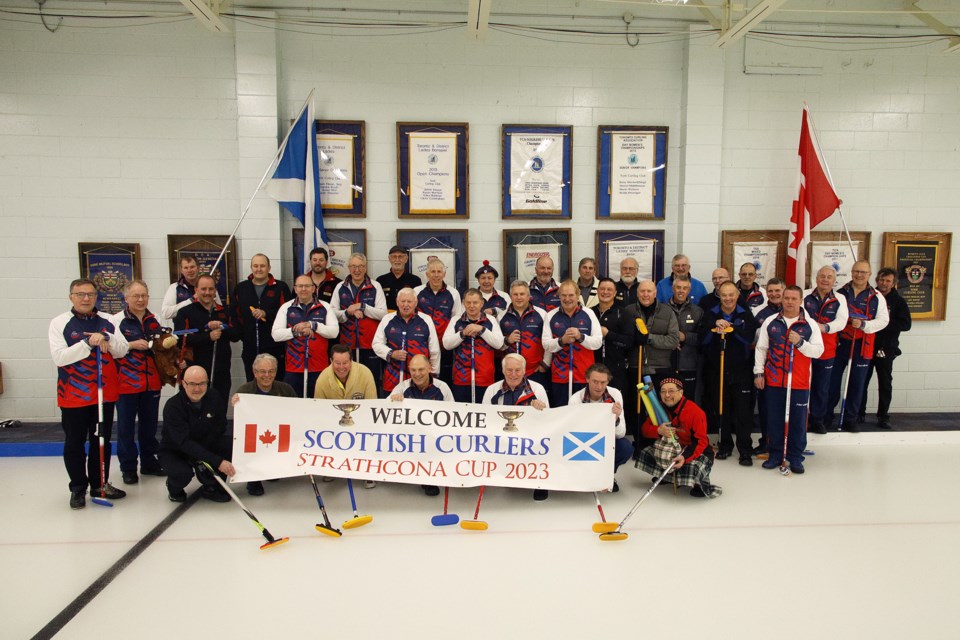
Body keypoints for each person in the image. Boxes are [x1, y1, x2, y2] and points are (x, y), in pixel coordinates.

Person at [50, 278, 130, 509]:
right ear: (71, 297)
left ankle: (99, 484)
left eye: (91, 294)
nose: (86, 299)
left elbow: (122, 350)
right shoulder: (60, 323)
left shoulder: (107, 320)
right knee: (74, 442)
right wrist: (87, 342)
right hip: (73, 395)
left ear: (96, 297)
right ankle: (77, 488)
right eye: (80, 294)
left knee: (101, 440)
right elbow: (60, 357)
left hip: (103, 395)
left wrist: (108, 338)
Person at [755, 286, 824, 473]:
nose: (789, 302)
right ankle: (776, 454)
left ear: (801, 300)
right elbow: (761, 349)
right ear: (782, 300)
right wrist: (759, 373)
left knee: (798, 421)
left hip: (799, 382)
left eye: (794, 298)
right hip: (775, 380)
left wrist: (800, 343)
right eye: (786, 298)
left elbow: (818, 351)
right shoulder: (771, 321)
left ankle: (795, 457)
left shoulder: (809, 324)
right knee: (775, 420)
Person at [160, 365, 243, 502]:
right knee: (182, 474)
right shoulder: (172, 406)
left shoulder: (214, 397)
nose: (197, 389)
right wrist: (217, 461)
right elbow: (184, 443)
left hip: (205, 444)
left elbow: (220, 427)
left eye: (202, 384)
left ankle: (211, 486)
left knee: (230, 445)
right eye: (192, 384)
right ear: (183, 383)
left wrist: (205, 457)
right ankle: (173, 487)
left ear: (207, 382)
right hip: (177, 451)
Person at [111, 280, 165, 485]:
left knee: (149, 426)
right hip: (126, 382)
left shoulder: (155, 319)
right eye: (136, 296)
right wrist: (132, 345)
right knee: (125, 427)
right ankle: (128, 467)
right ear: (126, 298)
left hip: (152, 382)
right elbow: (113, 348)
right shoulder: (116, 321)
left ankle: (150, 463)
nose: (141, 299)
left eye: (144, 295)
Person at [700, 281, 759, 465]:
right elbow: (703, 340)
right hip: (717, 370)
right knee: (721, 409)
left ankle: (745, 449)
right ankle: (725, 445)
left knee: (743, 411)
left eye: (731, 295)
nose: (728, 298)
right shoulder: (710, 314)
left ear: (737, 295)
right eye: (724, 295)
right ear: (719, 294)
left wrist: (731, 328)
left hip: (741, 371)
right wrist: (714, 327)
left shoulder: (745, 314)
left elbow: (748, 338)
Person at [826, 260, 889, 432]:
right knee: (832, 381)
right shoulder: (840, 293)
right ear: (851, 272)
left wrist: (863, 325)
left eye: (863, 272)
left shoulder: (876, 296)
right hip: (840, 343)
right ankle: (827, 416)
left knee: (857, 382)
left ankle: (850, 419)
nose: (859, 275)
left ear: (869, 274)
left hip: (862, 344)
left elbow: (884, 321)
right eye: (856, 271)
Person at [636, 377, 721, 498]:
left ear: (681, 392)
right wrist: (659, 430)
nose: (667, 395)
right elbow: (645, 430)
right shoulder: (659, 409)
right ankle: (669, 476)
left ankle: (697, 482)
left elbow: (701, 441)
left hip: (693, 449)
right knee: (647, 452)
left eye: (671, 391)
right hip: (671, 447)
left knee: (696, 466)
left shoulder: (695, 412)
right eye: (663, 391)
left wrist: (684, 457)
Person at [482, 353, 550, 500]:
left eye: (517, 370)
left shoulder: (537, 389)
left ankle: (540, 484)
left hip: (529, 437)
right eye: (509, 370)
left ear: (524, 371)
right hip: (501, 436)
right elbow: (485, 418)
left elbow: (547, 421)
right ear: (503, 371)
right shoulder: (492, 390)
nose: (513, 374)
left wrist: (541, 410)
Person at [229, 353, 297, 496]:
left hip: (278, 435)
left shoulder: (286, 389)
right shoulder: (244, 391)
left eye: (271, 371)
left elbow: (296, 415)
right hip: (255, 437)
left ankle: (272, 469)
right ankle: (253, 480)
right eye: (262, 371)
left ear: (276, 372)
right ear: (254, 372)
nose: (267, 375)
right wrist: (237, 405)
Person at [313, 344, 379, 488]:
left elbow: (372, 406)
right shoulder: (322, 379)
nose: (341, 367)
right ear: (331, 360)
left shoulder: (365, 373)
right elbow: (319, 411)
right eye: (337, 363)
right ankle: (330, 468)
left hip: (362, 421)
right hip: (333, 423)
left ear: (351, 361)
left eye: (345, 363)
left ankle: (368, 471)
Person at [175, 274, 238, 416]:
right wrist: (207, 335)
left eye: (211, 289)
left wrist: (223, 326)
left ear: (215, 290)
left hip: (221, 370)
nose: (207, 292)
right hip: (194, 371)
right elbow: (181, 339)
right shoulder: (185, 312)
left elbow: (236, 335)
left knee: (219, 408)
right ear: (196, 290)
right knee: (193, 409)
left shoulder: (225, 311)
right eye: (203, 289)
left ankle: (218, 436)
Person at [390, 354, 453, 496]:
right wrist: (394, 399)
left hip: (434, 437)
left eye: (421, 369)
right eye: (413, 370)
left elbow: (453, 415)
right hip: (408, 436)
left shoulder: (442, 387)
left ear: (430, 368)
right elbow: (386, 410)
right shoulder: (402, 387)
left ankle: (430, 479)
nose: (417, 374)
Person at [627, 279, 679, 444]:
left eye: (649, 291)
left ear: (655, 293)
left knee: (659, 408)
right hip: (636, 367)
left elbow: (673, 340)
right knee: (637, 408)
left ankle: (659, 443)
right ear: (637, 293)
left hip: (660, 368)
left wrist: (649, 338)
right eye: (642, 291)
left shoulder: (667, 312)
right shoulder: (628, 311)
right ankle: (639, 442)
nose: (645, 294)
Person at [859, 267, 912, 429]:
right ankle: (859, 413)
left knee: (885, 382)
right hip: (866, 346)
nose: (884, 283)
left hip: (886, 349)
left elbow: (906, 324)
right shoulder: (869, 297)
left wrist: (883, 323)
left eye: (888, 280)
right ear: (876, 280)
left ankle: (883, 416)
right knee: (862, 381)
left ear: (894, 283)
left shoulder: (899, 302)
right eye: (881, 280)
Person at [271, 274, 339, 397]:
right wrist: (297, 331)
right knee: (293, 406)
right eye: (300, 286)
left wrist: (314, 325)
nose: (303, 289)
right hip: (294, 367)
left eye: (307, 286)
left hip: (319, 367)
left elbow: (334, 332)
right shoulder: (286, 307)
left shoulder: (325, 307)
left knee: (319, 405)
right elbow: (276, 335)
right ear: (295, 288)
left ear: (313, 288)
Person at [570, 363, 634, 492]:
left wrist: (615, 419)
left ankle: (608, 475)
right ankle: (587, 475)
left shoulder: (615, 394)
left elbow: (621, 433)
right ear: (587, 379)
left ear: (608, 382)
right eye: (595, 381)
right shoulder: (576, 399)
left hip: (607, 440)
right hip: (584, 442)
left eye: (603, 382)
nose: (599, 387)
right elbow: (574, 433)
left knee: (626, 447)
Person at [803, 266, 848, 435]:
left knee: (822, 387)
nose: (825, 279)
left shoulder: (840, 299)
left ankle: (818, 420)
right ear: (816, 278)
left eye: (829, 277)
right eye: (822, 276)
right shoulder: (805, 295)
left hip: (827, 349)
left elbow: (842, 321)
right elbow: (799, 316)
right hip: (805, 347)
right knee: (804, 385)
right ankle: (803, 419)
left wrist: (825, 327)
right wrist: (814, 327)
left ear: (834, 280)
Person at [232, 253, 291, 381]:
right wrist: (242, 334)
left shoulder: (280, 287)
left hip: (275, 347)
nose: (259, 269)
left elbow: (288, 313)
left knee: (276, 383)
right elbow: (235, 314)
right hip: (250, 347)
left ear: (269, 268)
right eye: (256, 266)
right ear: (251, 267)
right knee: (252, 382)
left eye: (262, 266)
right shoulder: (241, 288)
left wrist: (266, 314)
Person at [543, 280, 602, 407]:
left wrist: (581, 337)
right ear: (559, 296)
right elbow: (546, 344)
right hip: (560, 375)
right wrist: (562, 341)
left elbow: (597, 342)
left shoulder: (589, 313)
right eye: (563, 295)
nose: (567, 299)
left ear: (577, 295)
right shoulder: (550, 315)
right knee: (561, 412)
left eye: (571, 295)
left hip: (584, 374)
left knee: (583, 414)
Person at [373, 287, 440, 398]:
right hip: (393, 377)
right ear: (397, 302)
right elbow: (376, 344)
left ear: (415, 303)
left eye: (409, 301)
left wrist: (434, 375)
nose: (406, 305)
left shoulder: (426, 320)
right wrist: (391, 353)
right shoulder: (387, 319)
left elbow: (434, 350)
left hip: (420, 378)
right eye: (402, 301)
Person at [330, 253, 388, 379]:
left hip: (370, 344)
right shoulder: (340, 287)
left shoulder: (375, 286)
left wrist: (363, 307)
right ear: (349, 268)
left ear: (365, 268)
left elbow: (382, 313)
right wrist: (347, 312)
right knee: (348, 380)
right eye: (354, 266)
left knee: (370, 379)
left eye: (361, 266)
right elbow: (331, 313)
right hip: (347, 345)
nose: (357, 270)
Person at [443, 289, 504, 403]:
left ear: (481, 303)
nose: (471, 306)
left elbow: (499, 343)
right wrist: (462, 334)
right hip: (461, 378)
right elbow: (446, 344)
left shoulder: (490, 320)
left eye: (475, 303)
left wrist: (482, 330)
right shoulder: (456, 320)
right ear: (463, 303)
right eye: (468, 303)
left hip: (485, 378)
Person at [415, 259, 463, 385]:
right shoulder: (417, 292)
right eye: (433, 272)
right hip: (421, 344)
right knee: (421, 377)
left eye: (439, 271)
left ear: (444, 274)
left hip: (444, 346)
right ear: (427, 274)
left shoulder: (453, 293)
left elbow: (457, 320)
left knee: (444, 379)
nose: (436, 275)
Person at [497, 280, 551, 387]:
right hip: (511, 373)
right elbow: (498, 346)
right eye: (515, 294)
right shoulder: (501, 316)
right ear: (511, 296)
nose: (519, 297)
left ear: (528, 296)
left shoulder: (542, 314)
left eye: (522, 294)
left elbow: (548, 341)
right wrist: (508, 341)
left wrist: (545, 364)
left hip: (535, 371)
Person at [590, 277, 634, 396]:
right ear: (597, 291)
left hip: (616, 371)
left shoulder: (624, 314)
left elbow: (629, 342)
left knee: (614, 408)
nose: (605, 292)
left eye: (609, 289)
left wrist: (609, 334)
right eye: (602, 289)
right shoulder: (589, 312)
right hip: (593, 370)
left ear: (615, 293)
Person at [667, 275, 703, 400]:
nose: (681, 291)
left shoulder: (697, 311)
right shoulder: (662, 309)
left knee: (687, 401)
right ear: (673, 288)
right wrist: (671, 339)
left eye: (685, 288)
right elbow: (655, 333)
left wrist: (684, 336)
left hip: (688, 364)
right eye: (678, 287)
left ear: (689, 290)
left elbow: (702, 338)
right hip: (666, 364)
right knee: (667, 400)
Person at [161, 254, 219, 322]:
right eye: (186, 268)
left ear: (198, 268)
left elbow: (219, 310)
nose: (189, 270)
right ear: (181, 270)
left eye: (192, 267)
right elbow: (165, 314)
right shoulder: (174, 288)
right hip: (184, 331)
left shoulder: (209, 287)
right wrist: (191, 300)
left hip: (207, 329)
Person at [376, 245, 421, 312]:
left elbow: (418, 305)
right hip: (387, 320)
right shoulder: (380, 281)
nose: (397, 260)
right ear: (389, 259)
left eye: (400, 257)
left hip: (408, 320)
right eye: (394, 257)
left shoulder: (415, 281)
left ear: (406, 259)